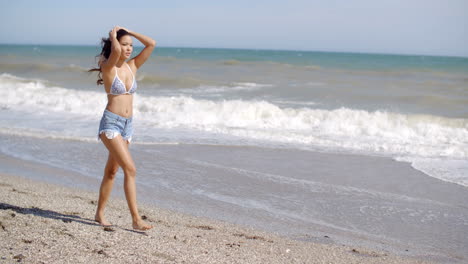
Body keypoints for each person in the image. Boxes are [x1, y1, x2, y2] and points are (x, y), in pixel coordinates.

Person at [89, 26, 156, 230]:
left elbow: (151, 43)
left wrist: (131, 32)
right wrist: (113, 37)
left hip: (128, 126)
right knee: (131, 169)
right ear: (115, 45)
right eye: (124, 44)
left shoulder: (132, 66)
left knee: (112, 171)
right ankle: (136, 219)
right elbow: (116, 53)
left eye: (131, 45)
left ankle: (99, 214)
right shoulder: (108, 66)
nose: (128, 49)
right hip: (111, 124)